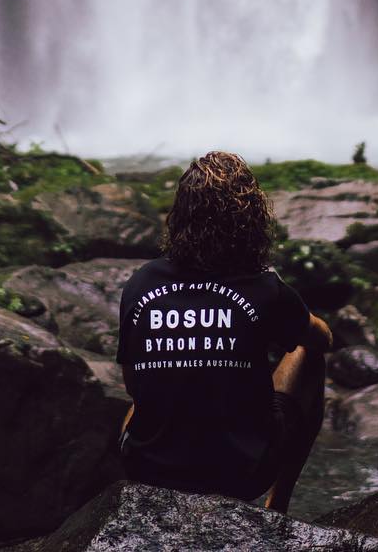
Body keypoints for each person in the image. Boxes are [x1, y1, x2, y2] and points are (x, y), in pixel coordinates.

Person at [116, 149, 332, 513]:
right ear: (252, 219)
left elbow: (132, 386)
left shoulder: (141, 282)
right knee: (307, 352)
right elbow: (322, 339)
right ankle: (276, 505)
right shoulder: (264, 288)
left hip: (149, 473)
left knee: (144, 392)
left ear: (180, 216)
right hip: (241, 477)